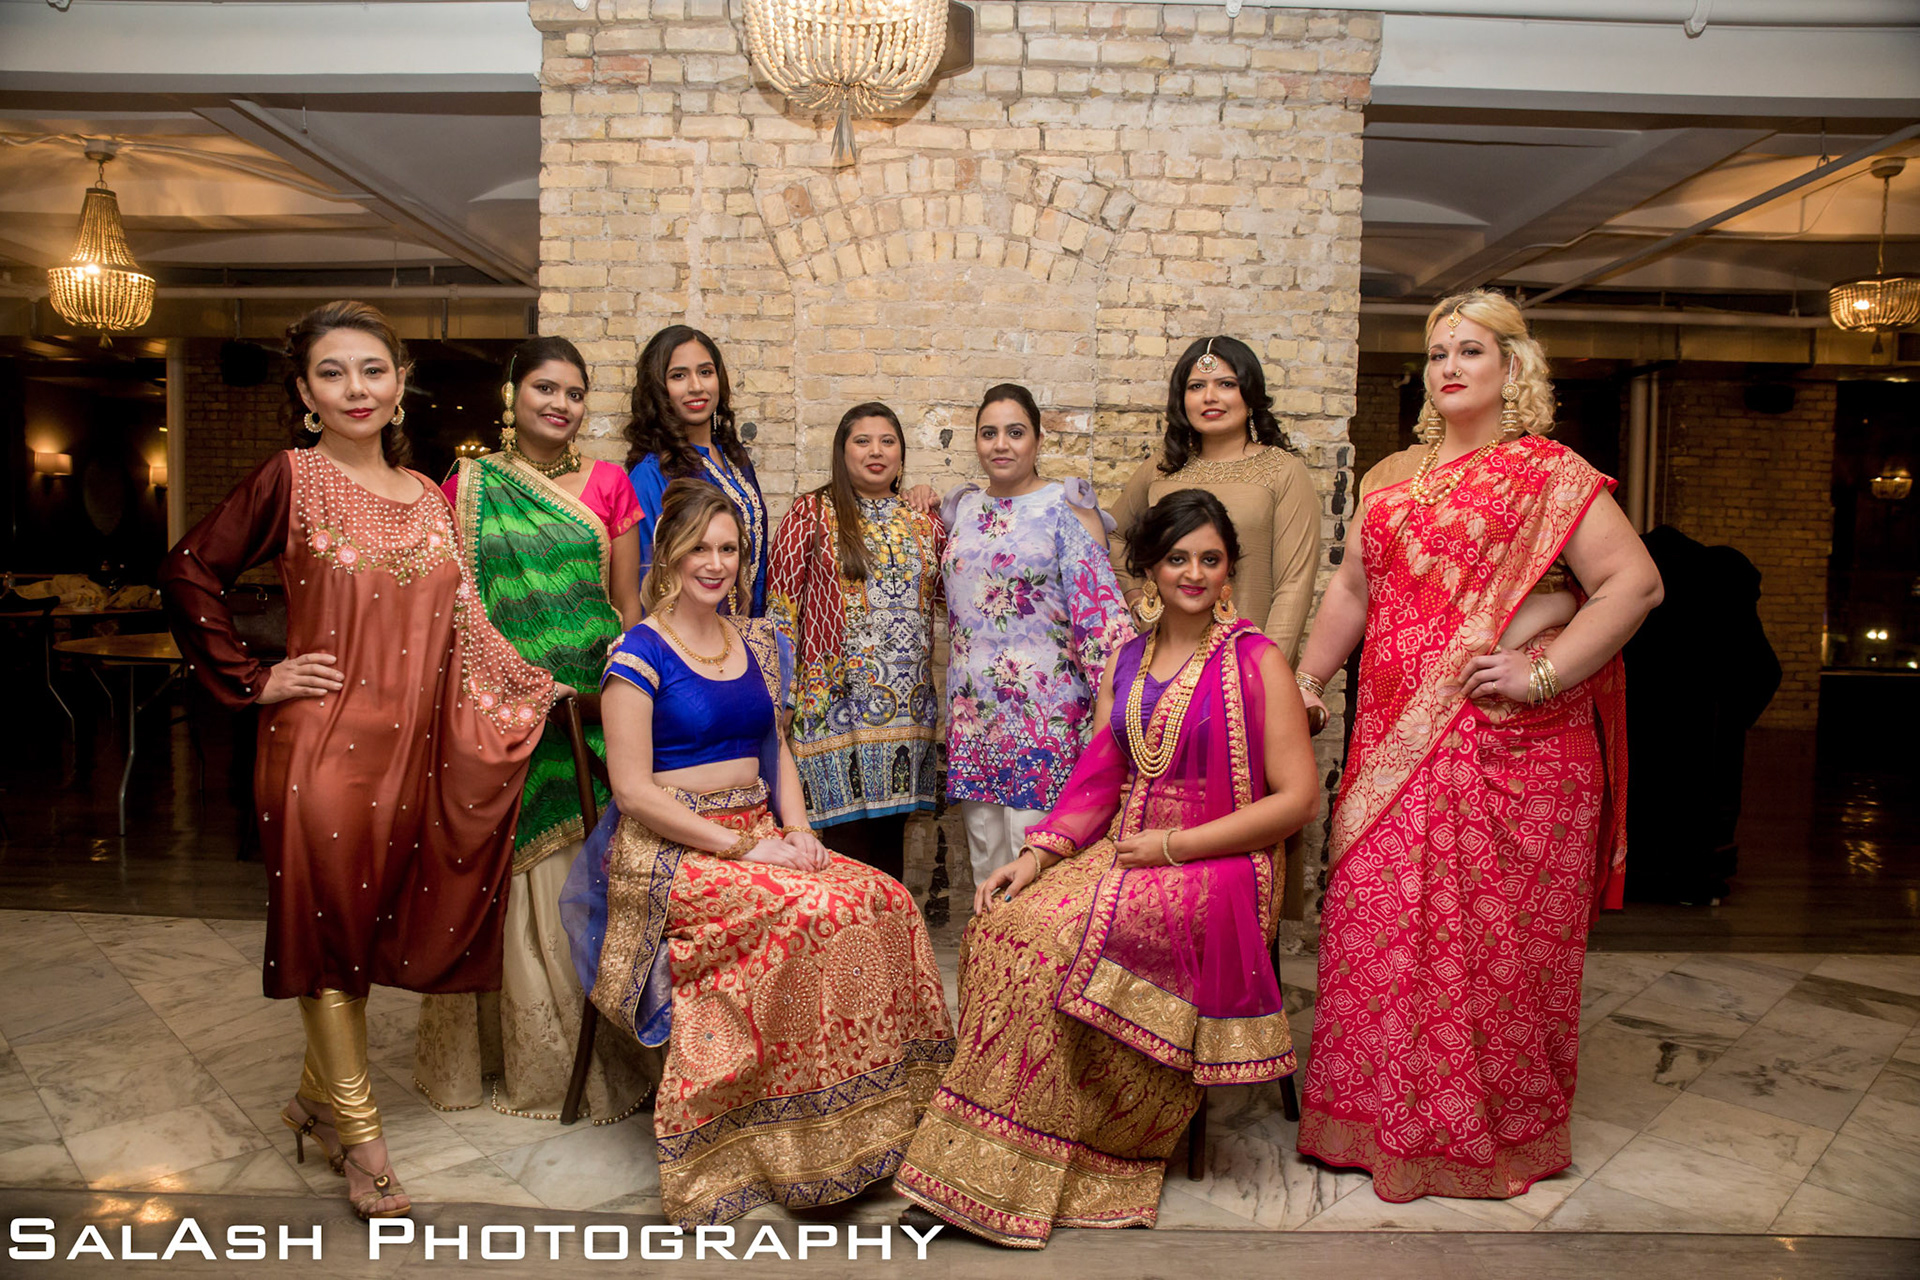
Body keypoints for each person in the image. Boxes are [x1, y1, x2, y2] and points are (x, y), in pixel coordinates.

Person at [160, 301, 565, 1219]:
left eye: (373, 369)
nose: (356, 389)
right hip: (319, 748)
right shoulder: (291, 478)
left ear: (400, 383)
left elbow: (466, 624)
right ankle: (362, 1143)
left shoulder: (428, 495)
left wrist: (544, 687)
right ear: (305, 393)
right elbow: (188, 568)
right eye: (333, 373)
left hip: (410, 752)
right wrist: (254, 676)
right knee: (328, 935)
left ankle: (313, 1104)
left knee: (363, 928)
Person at [1292, 288, 1663, 1201]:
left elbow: (1634, 584)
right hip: (1391, 739)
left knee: (1490, 952)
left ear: (1512, 366)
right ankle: (1371, 1124)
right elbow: (1352, 591)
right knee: (1378, 922)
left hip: (1509, 749)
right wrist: (1307, 680)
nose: (1449, 367)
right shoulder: (1392, 477)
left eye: (1470, 351)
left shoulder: (1548, 472)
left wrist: (1543, 673)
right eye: (1437, 353)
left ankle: (1477, 1137)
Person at [895, 489, 1319, 1248]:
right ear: (1150, 567)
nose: (1194, 573)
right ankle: (987, 1155)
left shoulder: (1256, 660)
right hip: (1127, 846)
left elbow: (1296, 800)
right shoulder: (1127, 659)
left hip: (1220, 859)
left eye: (1211, 559)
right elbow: (1099, 779)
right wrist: (1034, 856)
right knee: (1004, 928)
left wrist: (1175, 847)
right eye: (1178, 558)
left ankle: (1076, 1142)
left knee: (1053, 943)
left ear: (1229, 571)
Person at [560, 478, 955, 1228]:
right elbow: (634, 793)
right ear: (668, 557)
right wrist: (746, 849)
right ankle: (792, 1143)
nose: (715, 564)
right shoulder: (638, 652)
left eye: (729, 549)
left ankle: (888, 1124)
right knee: (808, 915)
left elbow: (777, 747)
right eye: (698, 549)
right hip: (671, 849)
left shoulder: (758, 642)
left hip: (760, 828)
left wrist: (798, 831)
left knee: (886, 899)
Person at [414, 336, 649, 1125]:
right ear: (513, 394)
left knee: (589, 872)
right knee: (510, 877)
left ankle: (598, 1051)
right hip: (501, 712)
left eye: (575, 393)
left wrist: (627, 694)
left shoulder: (610, 484)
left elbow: (627, 606)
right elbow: (453, 607)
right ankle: (519, 1057)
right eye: (546, 388)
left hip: (590, 712)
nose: (561, 404)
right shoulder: (469, 486)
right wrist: (505, 690)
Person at [940, 382, 1135, 892]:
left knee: (1036, 864)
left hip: (1047, 717)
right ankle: (987, 947)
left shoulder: (1066, 507)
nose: (1001, 444)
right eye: (989, 433)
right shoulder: (962, 509)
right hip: (975, 716)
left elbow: (1101, 615)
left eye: (1015, 432)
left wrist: (1117, 713)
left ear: (1038, 439)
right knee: (984, 861)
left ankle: (1032, 951)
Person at [765, 402, 946, 880]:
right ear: (842, 452)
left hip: (907, 720)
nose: (875, 451)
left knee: (888, 865)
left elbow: (955, 595)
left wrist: (941, 502)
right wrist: (781, 698)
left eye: (887, 441)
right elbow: (781, 611)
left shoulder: (924, 521)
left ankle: (888, 931)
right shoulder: (810, 513)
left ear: (901, 454)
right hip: (831, 718)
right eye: (862, 441)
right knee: (840, 863)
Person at [1111, 335, 1320, 660]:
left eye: (1226, 384)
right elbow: (1112, 534)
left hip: (1241, 660)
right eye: (1196, 387)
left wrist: (1266, 669)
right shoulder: (1162, 467)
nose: (1209, 397)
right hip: (1164, 659)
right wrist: (1137, 595)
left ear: (1249, 394)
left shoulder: (1282, 471)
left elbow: (1293, 585)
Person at [624, 326, 771, 615]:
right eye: (678, 376)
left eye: (705, 372)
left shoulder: (734, 458)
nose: (696, 386)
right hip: (685, 635)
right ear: (658, 388)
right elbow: (644, 584)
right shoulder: (651, 474)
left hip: (743, 632)